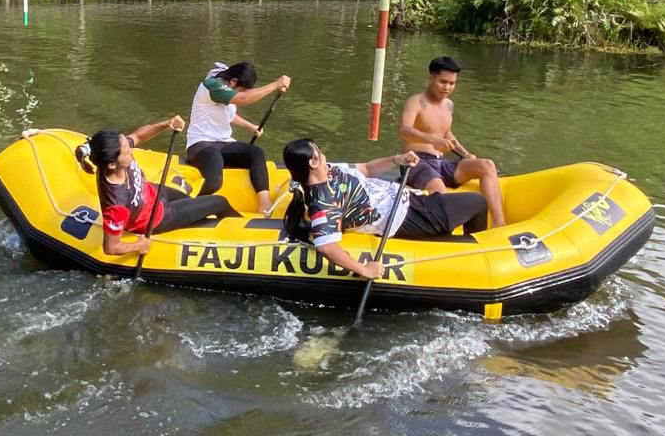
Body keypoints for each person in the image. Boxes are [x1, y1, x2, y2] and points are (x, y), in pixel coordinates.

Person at [281, 138, 489, 279]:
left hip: (407, 199)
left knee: (456, 199)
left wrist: (396, 159)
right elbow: (326, 246)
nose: (323, 153)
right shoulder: (322, 201)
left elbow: (366, 169)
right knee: (478, 202)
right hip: (408, 217)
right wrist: (364, 269)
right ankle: (479, 261)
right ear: (313, 162)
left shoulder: (330, 169)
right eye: (319, 151)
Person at [75, 115, 239, 257]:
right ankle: (244, 229)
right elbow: (111, 247)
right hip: (158, 217)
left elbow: (138, 136)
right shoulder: (116, 204)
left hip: (155, 193)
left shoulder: (114, 153)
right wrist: (138, 245)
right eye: (127, 152)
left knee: (193, 203)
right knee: (219, 202)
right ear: (112, 165)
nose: (131, 151)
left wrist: (166, 124)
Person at [398, 56, 506, 228]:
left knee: (487, 165)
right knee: (441, 191)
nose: (447, 87)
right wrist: (433, 140)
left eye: (452, 83)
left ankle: (499, 224)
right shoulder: (415, 102)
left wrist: (465, 154)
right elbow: (404, 130)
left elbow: (446, 133)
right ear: (431, 77)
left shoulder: (449, 105)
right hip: (416, 161)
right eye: (443, 82)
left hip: (441, 162)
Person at [186, 61, 291, 215]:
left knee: (256, 153)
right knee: (215, 179)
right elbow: (242, 99)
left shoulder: (227, 84)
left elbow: (228, 114)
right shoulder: (212, 86)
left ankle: (264, 204)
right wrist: (276, 84)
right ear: (233, 81)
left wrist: (250, 126)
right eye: (242, 90)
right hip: (201, 144)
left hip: (223, 143)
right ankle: (186, 205)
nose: (242, 93)